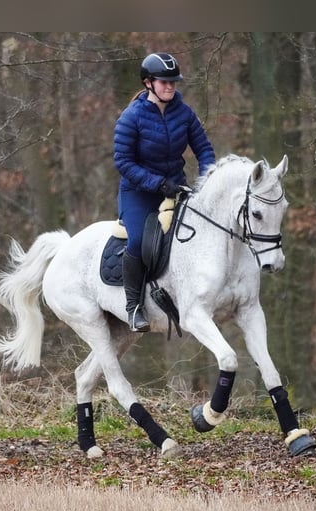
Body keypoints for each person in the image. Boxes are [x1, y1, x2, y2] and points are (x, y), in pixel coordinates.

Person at [114, 52, 215, 332]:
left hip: (176, 189)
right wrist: (157, 184)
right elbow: (123, 162)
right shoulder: (131, 117)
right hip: (139, 193)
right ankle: (133, 307)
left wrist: (208, 181)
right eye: (164, 82)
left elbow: (204, 149)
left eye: (173, 82)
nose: (170, 87)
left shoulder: (184, 112)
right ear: (148, 83)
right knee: (136, 243)